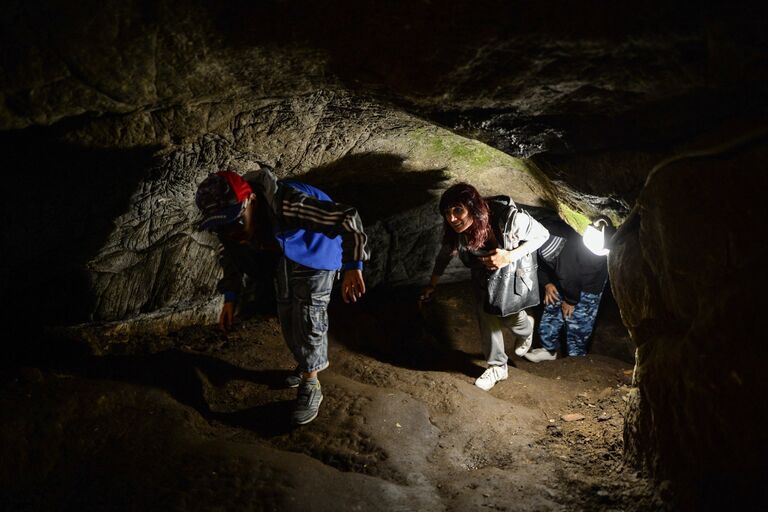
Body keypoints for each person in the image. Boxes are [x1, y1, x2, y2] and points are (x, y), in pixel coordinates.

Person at [195, 166, 369, 425]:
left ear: (250, 200)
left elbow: (347, 217)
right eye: (225, 226)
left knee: (308, 313)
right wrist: (230, 296)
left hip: (320, 247)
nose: (233, 230)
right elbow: (231, 255)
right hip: (287, 249)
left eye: (236, 221)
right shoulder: (230, 224)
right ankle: (305, 363)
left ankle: (312, 383)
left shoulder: (288, 203)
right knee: (287, 309)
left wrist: (353, 265)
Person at [421, 183, 549, 391]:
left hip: (513, 270)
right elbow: (444, 255)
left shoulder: (509, 218)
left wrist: (509, 256)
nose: (452, 218)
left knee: (510, 317)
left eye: (458, 210)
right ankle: (498, 366)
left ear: (473, 207)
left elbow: (543, 234)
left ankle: (526, 329)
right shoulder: (457, 231)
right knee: (486, 312)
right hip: (483, 274)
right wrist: (432, 284)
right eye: (447, 212)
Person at [524, 218, 609, 362]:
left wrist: (570, 301)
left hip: (589, 282)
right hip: (561, 277)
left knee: (578, 322)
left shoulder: (563, 253)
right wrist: (547, 283)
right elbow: (537, 261)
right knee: (552, 307)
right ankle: (548, 350)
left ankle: (575, 359)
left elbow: (570, 274)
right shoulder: (539, 234)